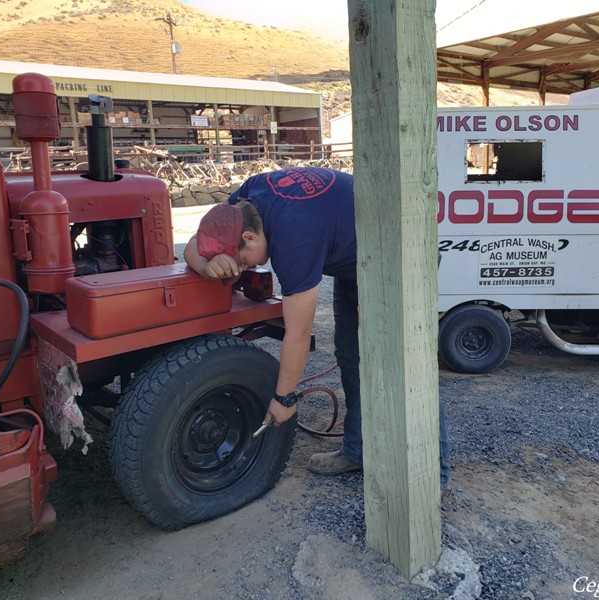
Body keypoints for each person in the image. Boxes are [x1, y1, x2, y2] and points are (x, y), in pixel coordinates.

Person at [184, 166, 451, 487]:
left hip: (402, 255)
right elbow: (193, 245)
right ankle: (358, 450)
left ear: (250, 236)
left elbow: (297, 333)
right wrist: (207, 264)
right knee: (351, 356)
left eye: (243, 258)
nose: (245, 268)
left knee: (406, 367)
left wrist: (284, 399)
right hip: (359, 255)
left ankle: (433, 477)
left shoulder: (293, 238)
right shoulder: (243, 201)